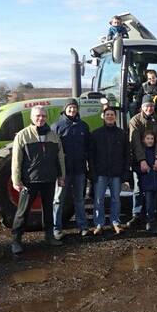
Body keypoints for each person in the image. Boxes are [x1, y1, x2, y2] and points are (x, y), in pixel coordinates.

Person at [10, 106, 65, 254]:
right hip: (30, 181)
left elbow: (59, 158)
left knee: (48, 210)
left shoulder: (54, 136)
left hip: (49, 179)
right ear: (32, 118)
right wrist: (16, 180)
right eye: (38, 116)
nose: (41, 119)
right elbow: (16, 160)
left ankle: (49, 236)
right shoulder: (22, 136)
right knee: (23, 211)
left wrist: (61, 176)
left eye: (43, 116)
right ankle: (16, 240)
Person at [51, 98, 90, 239]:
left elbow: (88, 147)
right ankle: (56, 229)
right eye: (70, 108)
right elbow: (53, 151)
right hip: (63, 171)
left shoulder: (83, 126)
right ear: (65, 109)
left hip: (79, 170)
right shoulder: (57, 127)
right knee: (58, 200)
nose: (72, 110)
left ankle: (83, 226)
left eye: (74, 108)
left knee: (79, 199)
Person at [127, 94, 157, 227]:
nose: (149, 108)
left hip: (154, 157)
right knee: (138, 187)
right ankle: (136, 214)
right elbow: (135, 142)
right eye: (146, 106)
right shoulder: (135, 121)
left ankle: (151, 215)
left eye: (151, 106)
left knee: (153, 187)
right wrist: (142, 160)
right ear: (142, 107)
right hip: (140, 158)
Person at [90, 107, 129, 235]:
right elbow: (91, 156)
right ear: (103, 116)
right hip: (100, 173)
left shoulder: (122, 134)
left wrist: (125, 171)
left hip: (116, 173)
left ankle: (115, 222)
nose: (110, 116)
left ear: (115, 117)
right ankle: (99, 224)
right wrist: (92, 172)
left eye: (112, 114)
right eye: (107, 114)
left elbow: (126, 155)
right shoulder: (96, 134)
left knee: (115, 199)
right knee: (99, 200)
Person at [138, 131, 157, 235]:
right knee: (149, 202)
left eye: (152, 139)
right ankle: (151, 223)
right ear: (144, 140)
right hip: (147, 182)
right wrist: (143, 170)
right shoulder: (142, 153)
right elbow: (136, 165)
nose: (150, 141)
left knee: (154, 202)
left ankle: (146, 219)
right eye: (148, 138)